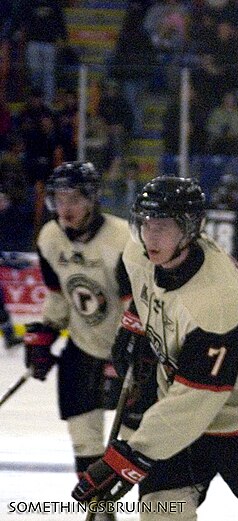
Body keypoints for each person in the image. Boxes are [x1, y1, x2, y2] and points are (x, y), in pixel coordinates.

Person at [71, 175, 238, 521]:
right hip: (182, 414)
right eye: (145, 223)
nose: (149, 235)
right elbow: (151, 298)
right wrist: (136, 324)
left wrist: (132, 455)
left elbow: (200, 395)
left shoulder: (217, 297)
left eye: (162, 225)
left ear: (190, 229)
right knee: (161, 512)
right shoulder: (139, 253)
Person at [23, 161, 131, 520]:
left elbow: (142, 305)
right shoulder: (50, 237)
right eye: (58, 199)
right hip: (84, 348)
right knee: (85, 443)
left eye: (73, 199)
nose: (65, 209)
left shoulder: (121, 239)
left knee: (137, 447)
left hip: (130, 353)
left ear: (92, 199)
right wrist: (45, 334)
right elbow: (58, 295)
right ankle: (101, 514)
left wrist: (126, 356)